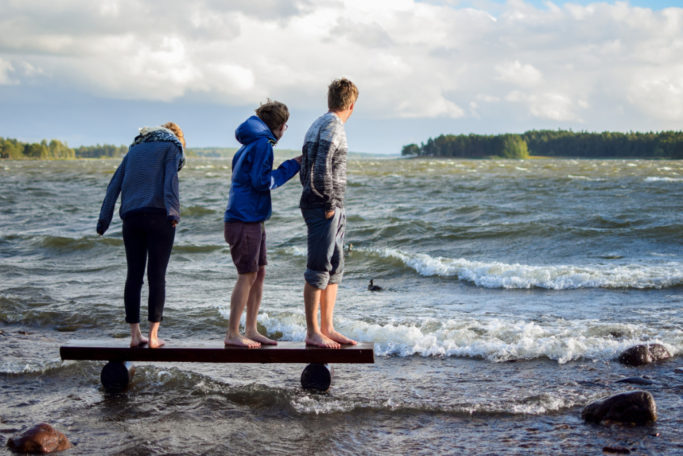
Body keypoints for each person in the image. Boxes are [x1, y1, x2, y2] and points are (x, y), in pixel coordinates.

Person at [96, 122, 186, 349]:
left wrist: (103, 220)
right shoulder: (172, 147)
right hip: (159, 217)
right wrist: (173, 211)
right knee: (157, 276)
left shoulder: (134, 150)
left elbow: (114, 185)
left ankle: (135, 336)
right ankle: (153, 336)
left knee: (133, 277)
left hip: (132, 218)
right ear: (177, 138)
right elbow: (170, 181)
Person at [223, 100, 302, 348]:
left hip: (252, 218)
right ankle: (233, 333)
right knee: (246, 275)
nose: (285, 130)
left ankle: (252, 329)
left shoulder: (249, 145)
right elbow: (261, 182)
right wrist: (293, 166)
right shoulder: (262, 145)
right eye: (285, 125)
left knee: (259, 273)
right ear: (279, 126)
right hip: (244, 220)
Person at [300, 78, 359, 348]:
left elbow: (306, 167)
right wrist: (328, 203)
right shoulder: (334, 126)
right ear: (352, 105)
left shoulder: (317, 123)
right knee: (319, 268)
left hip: (326, 203)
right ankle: (313, 332)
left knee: (335, 266)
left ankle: (327, 327)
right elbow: (321, 167)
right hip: (324, 205)